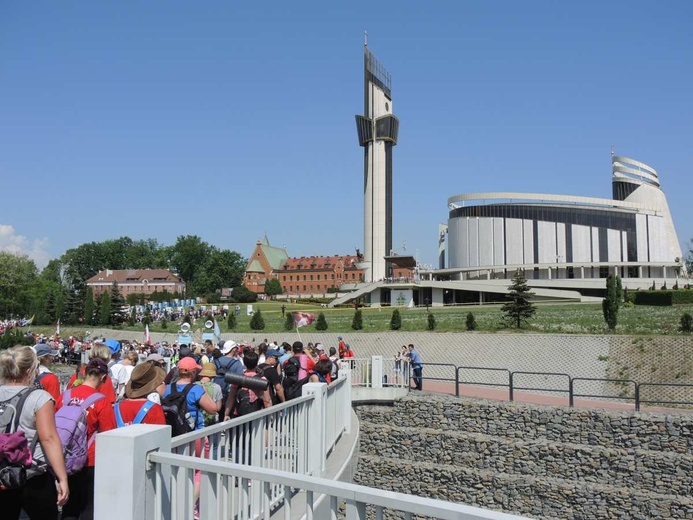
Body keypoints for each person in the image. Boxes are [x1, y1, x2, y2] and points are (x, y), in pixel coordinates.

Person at [0, 346, 69, 520]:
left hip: (2, 472)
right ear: (30, 370)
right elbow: (49, 439)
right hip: (32, 473)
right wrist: (62, 478)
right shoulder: (39, 397)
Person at [57, 358, 117, 520]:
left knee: (69, 507)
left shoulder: (65, 396)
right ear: (104, 378)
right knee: (88, 506)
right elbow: (109, 435)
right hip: (90, 459)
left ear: (84, 373)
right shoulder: (102, 402)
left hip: (65, 458)